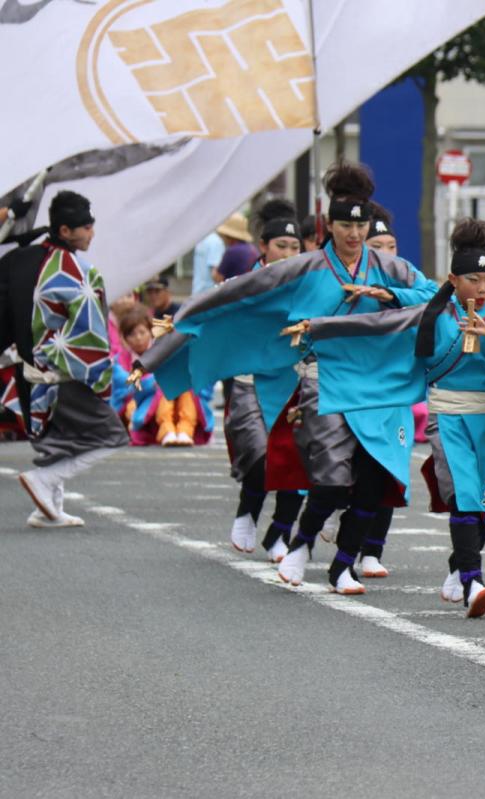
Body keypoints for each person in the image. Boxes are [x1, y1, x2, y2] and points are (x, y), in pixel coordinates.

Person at [135, 162, 438, 594]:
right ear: (327, 226)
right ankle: (299, 545)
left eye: (361, 226)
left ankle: (345, 566)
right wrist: (175, 331)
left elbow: (432, 298)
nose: (354, 235)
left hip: (379, 386)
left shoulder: (392, 269)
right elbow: (238, 293)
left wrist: (390, 295)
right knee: (332, 479)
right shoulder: (305, 268)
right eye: (344, 226)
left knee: (375, 480)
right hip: (324, 380)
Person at [305, 218, 485, 617]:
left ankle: (459, 567)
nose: (482, 288)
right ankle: (472, 583)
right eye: (473, 279)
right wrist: (319, 329)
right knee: (464, 493)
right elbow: (377, 325)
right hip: (448, 416)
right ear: (453, 280)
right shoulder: (432, 314)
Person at [0, 190, 128, 527]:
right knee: (111, 436)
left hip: (28, 367)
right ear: (65, 231)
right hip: (65, 371)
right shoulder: (75, 270)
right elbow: (91, 331)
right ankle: (46, 481)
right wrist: (99, 376)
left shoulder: (20, 259)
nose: (91, 233)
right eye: (85, 227)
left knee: (56, 438)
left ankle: (49, 509)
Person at [222, 199, 305, 562]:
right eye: (280, 246)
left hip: (295, 384)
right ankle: (247, 512)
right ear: (263, 248)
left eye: (294, 247)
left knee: (298, 461)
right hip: (250, 383)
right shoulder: (241, 285)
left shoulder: (311, 287)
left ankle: (280, 533)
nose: (287, 253)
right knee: (259, 455)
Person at [109, 305, 210, 447]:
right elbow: (126, 387)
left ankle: (185, 430)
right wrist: (153, 383)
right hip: (142, 409)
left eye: (142, 332)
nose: (138, 338)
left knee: (184, 389)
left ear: (150, 332)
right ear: (125, 338)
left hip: (174, 403)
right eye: (132, 334)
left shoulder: (164, 351)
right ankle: (166, 430)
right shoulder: (120, 361)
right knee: (164, 388)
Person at [213, 212, 258, 283]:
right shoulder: (252, 249)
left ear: (227, 235)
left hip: (234, 292)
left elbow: (218, 278)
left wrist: (214, 269)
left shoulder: (232, 252)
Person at [192, 231, 224, 295]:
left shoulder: (201, 240)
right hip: (210, 295)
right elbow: (215, 273)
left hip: (197, 292)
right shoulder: (216, 242)